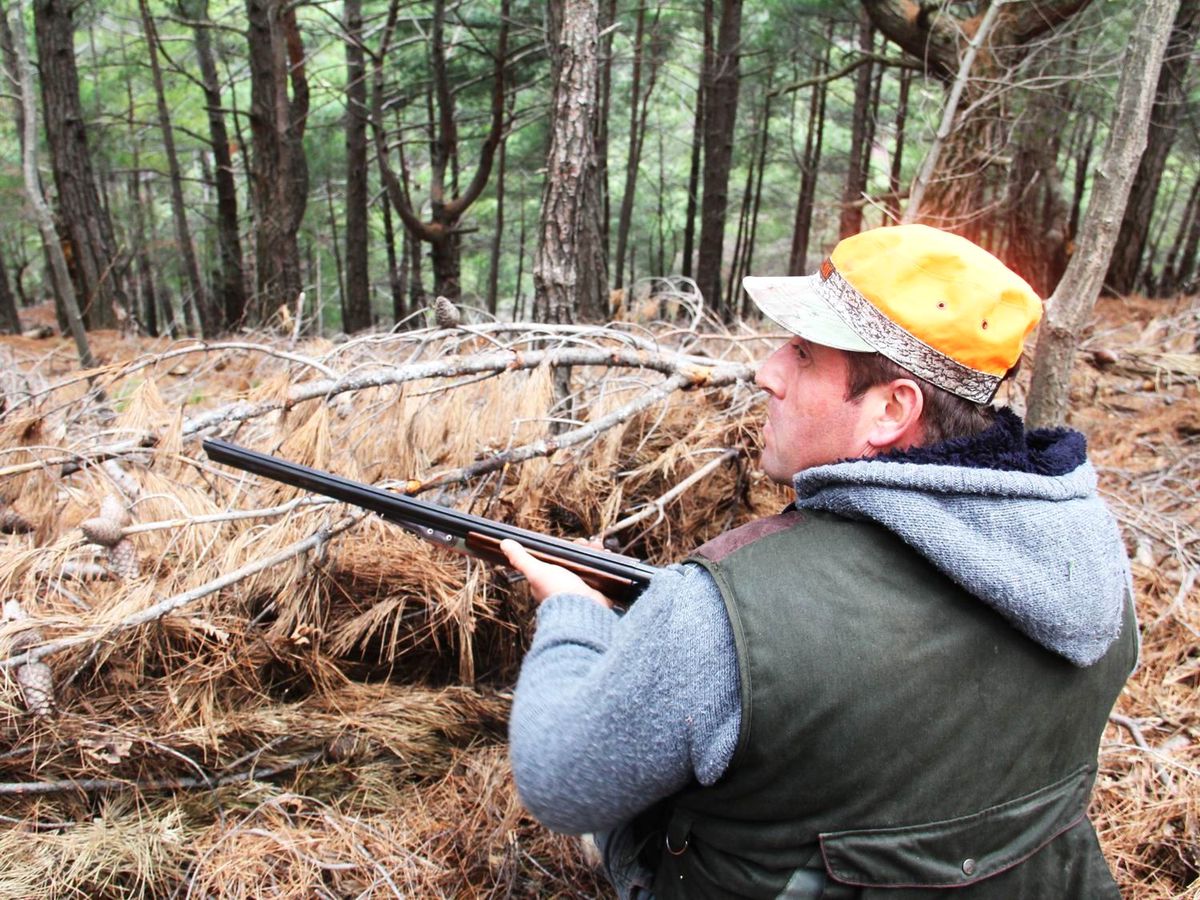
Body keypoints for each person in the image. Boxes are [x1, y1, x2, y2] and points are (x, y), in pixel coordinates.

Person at [500, 224, 1137, 899]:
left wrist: (574, 615)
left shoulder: (716, 611)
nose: (766, 372)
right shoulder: (1091, 564)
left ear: (892, 409)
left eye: (803, 355)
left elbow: (560, 783)